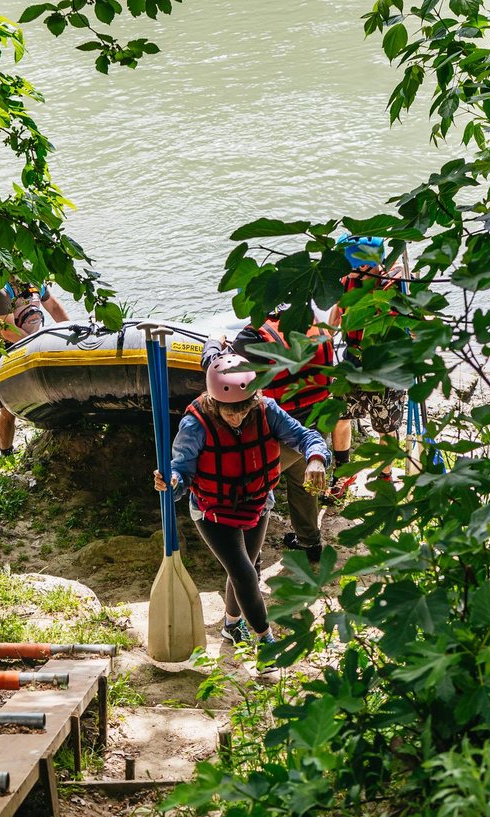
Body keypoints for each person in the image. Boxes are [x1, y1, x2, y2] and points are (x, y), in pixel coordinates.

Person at [154, 354, 329, 649]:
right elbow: (180, 470)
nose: (238, 418)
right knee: (245, 573)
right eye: (230, 413)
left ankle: (231, 624)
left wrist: (315, 459)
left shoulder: (265, 409)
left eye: (244, 411)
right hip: (212, 510)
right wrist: (171, 481)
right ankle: (266, 642)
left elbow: (305, 436)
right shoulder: (194, 425)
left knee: (246, 567)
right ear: (213, 402)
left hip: (258, 502)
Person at [200, 309, 337, 564]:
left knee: (252, 488)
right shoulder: (311, 320)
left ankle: (251, 555)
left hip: (279, 431)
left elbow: (221, 372)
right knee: (302, 481)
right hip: (317, 419)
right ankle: (310, 543)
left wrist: (212, 344)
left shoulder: (250, 339)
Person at [322, 235, 409, 503]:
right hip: (353, 362)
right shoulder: (347, 283)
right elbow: (333, 323)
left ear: (364, 265)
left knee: (386, 427)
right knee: (341, 417)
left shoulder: (396, 285)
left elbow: (418, 324)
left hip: (386, 368)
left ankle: (385, 477)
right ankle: (341, 475)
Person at [0, 274, 70, 456]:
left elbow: (55, 308)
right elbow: (7, 331)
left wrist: (72, 334)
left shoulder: (33, 277)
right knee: (7, 408)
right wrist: (37, 347)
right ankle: (6, 452)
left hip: (28, 336)